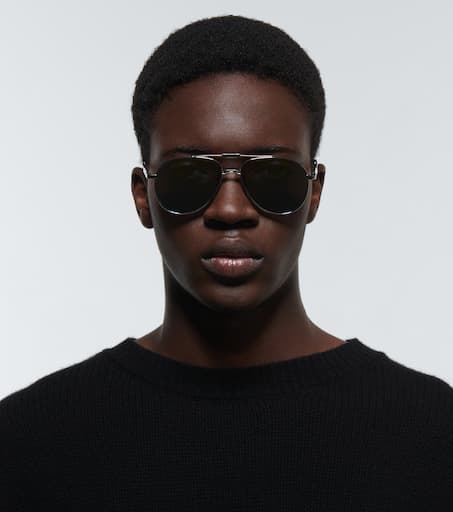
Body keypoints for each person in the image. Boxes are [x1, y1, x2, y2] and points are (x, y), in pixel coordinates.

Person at [1, 14, 452, 510]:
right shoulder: (27, 443)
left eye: (273, 176)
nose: (230, 210)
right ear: (143, 196)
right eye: (190, 177)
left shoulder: (433, 433)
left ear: (314, 193)